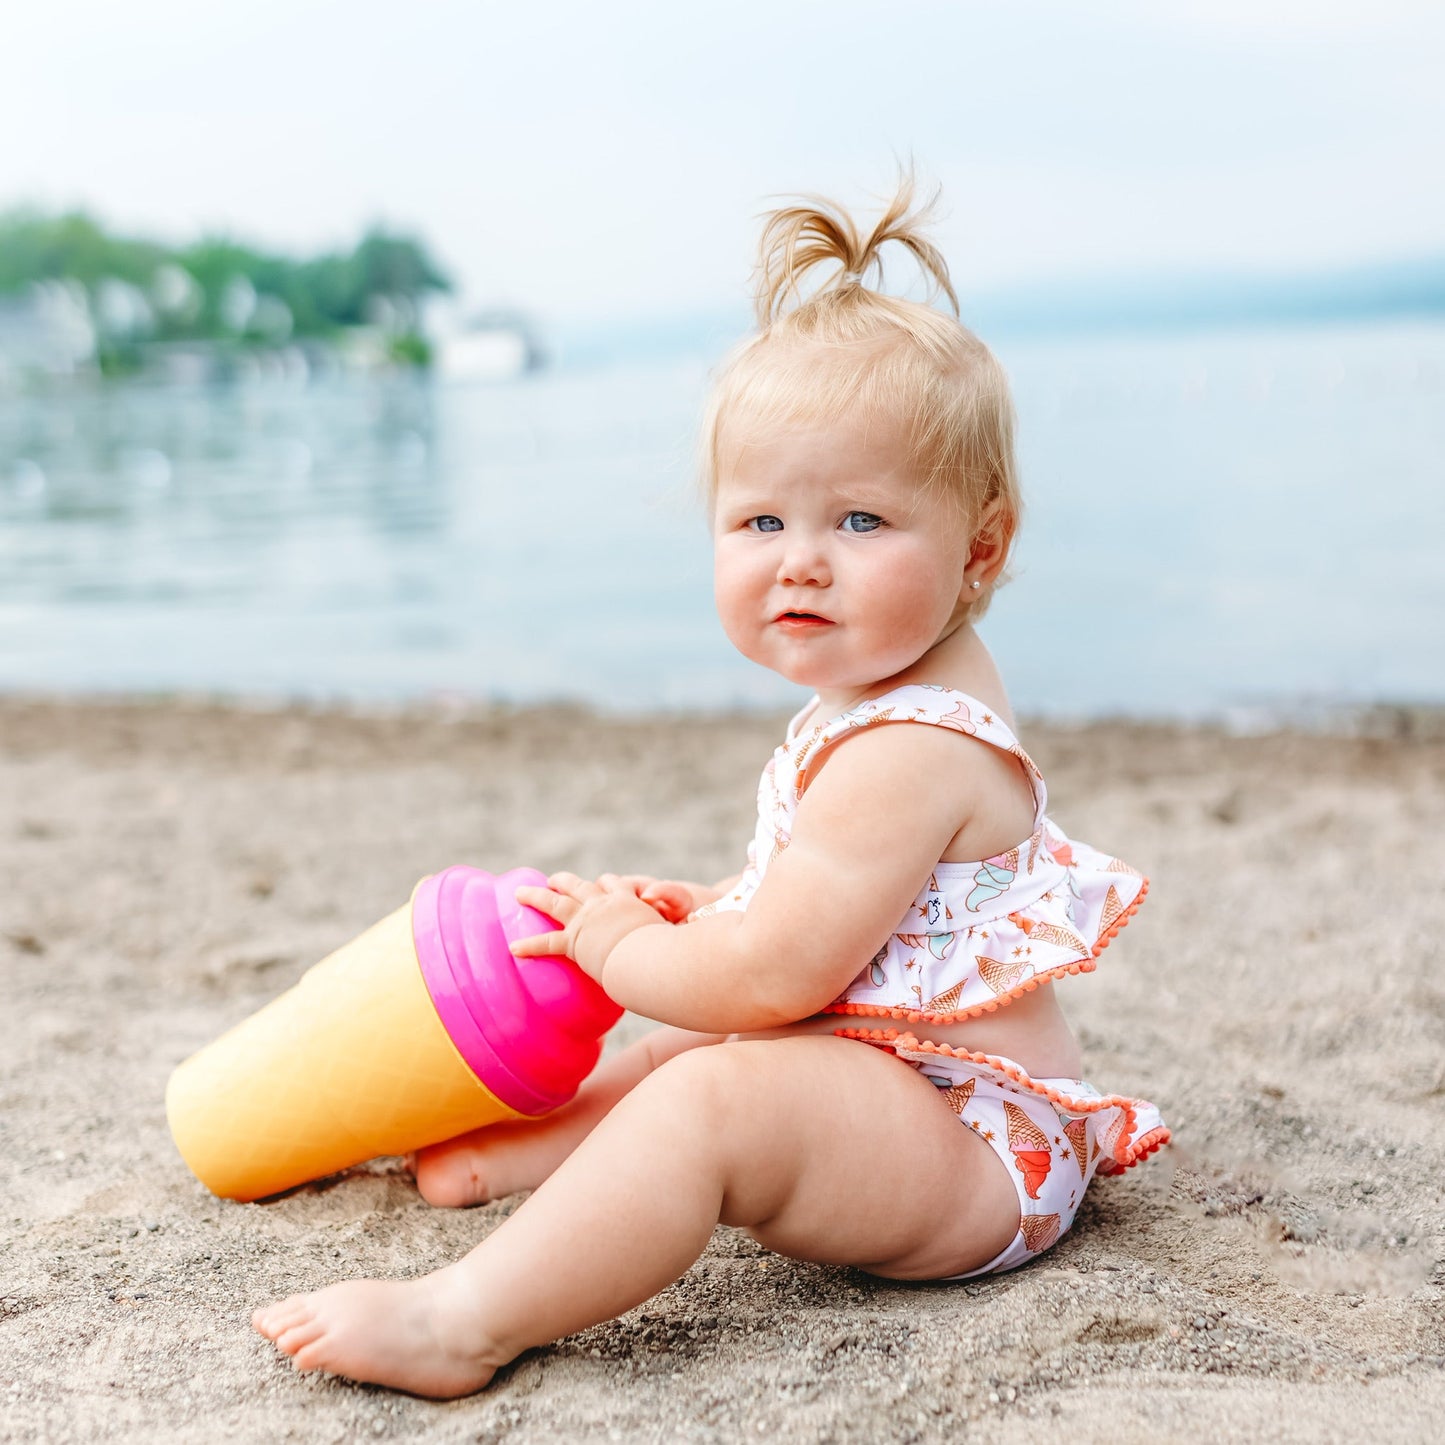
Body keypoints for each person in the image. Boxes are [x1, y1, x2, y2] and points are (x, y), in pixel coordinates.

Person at [253, 177, 1169, 1397]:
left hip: (972, 1150)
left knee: (715, 1092)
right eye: (756, 521)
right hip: (887, 1076)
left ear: (979, 546)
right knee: (694, 1028)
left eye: (857, 518)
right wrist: (707, 904)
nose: (799, 559)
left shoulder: (910, 744)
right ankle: (537, 1155)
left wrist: (628, 944)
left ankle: (462, 1320)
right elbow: (832, 911)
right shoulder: (876, 686)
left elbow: (779, 974)